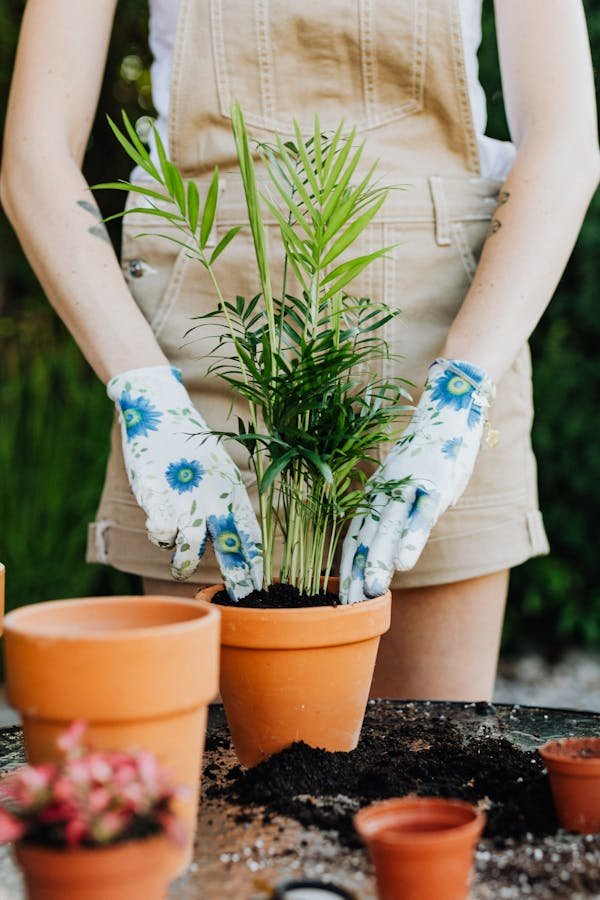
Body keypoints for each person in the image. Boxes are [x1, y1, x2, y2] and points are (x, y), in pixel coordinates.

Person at [1, 0, 598, 700]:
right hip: (205, 349)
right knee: (224, 779)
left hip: (442, 350)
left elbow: (564, 141)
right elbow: (34, 153)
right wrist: (143, 389)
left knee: (428, 773)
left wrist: (459, 395)